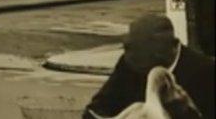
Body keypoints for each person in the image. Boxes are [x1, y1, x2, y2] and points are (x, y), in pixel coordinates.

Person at [84, 14, 214, 119]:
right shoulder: (129, 63)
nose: (142, 75)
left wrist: (185, 112)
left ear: (166, 56)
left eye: (145, 69)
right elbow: (95, 109)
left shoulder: (204, 72)